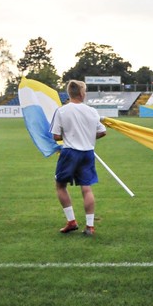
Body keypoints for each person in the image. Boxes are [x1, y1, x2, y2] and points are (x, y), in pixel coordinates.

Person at [49, 80, 107, 236]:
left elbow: (55, 136)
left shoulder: (62, 111)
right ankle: (90, 226)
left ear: (69, 93)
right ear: (82, 93)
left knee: (60, 185)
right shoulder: (92, 111)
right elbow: (102, 132)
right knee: (86, 188)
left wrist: (68, 136)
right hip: (87, 153)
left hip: (69, 152)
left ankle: (71, 221)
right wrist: (88, 138)